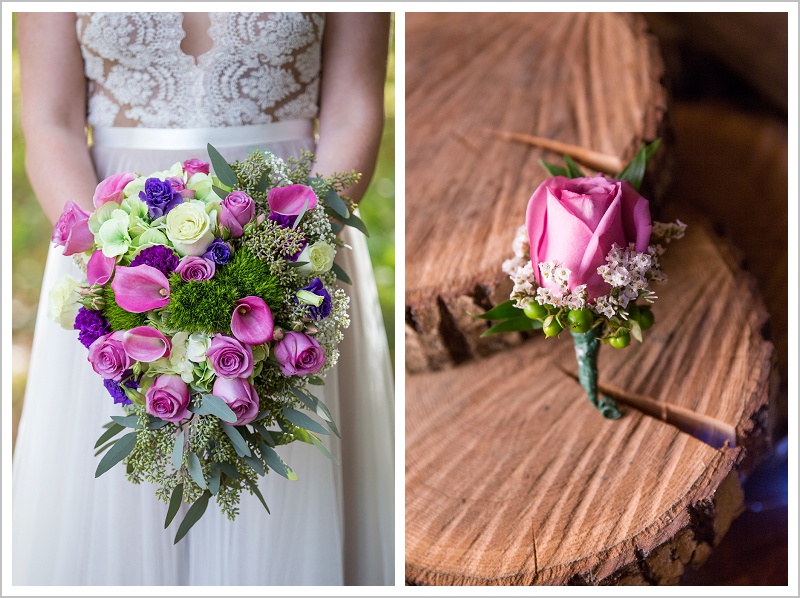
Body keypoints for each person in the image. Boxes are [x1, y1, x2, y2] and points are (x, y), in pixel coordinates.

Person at [13, 12, 394, 586]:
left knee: (283, 484)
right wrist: (112, 259)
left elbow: (353, 108)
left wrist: (286, 254)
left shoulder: (290, 248)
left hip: (290, 237)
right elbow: (50, 120)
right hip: (110, 235)